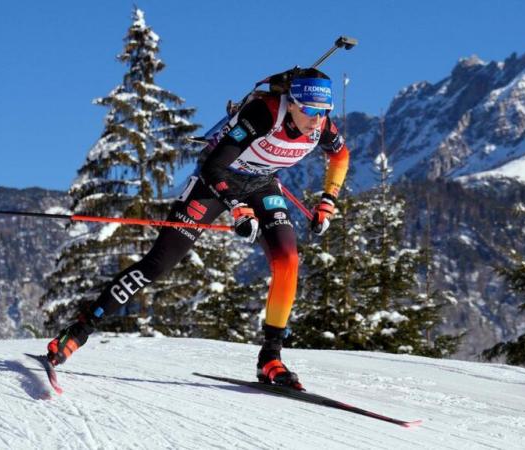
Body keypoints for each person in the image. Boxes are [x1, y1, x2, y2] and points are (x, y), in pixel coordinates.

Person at [46, 68, 350, 390]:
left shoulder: (322, 129)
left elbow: (341, 156)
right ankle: (78, 330)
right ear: (292, 103)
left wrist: (328, 200)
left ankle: (270, 359)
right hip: (215, 183)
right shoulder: (263, 114)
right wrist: (237, 207)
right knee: (158, 263)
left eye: (324, 112)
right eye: (311, 110)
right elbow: (213, 166)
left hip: (261, 185)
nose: (317, 120)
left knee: (288, 260)